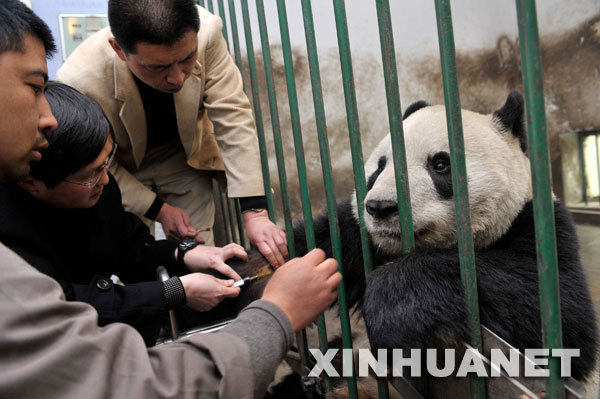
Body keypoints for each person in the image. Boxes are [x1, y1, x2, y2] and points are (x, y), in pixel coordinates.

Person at [0, 1, 341, 397]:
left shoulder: (92, 181)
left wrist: (190, 253)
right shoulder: (78, 86)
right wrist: (263, 313)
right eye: (35, 88)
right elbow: (113, 362)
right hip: (127, 164)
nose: (178, 78)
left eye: (187, 60)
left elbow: (132, 244)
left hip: (170, 156)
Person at [0, 81, 254, 347]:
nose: (105, 181)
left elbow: (129, 248)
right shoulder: (10, 237)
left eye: (107, 163)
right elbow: (67, 304)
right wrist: (175, 291)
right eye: (91, 175)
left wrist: (184, 254)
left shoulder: (98, 190)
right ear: (30, 182)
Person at [57, 0, 289, 268]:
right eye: (157, 68)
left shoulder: (208, 31)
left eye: (188, 59)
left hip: (182, 160)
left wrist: (255, 212)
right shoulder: (79, 80)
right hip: (120, 168)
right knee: (135, 259)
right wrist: (159, 210)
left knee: (204, 259)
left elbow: (232, 115)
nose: (177, 79)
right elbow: (101, 164)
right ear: (119, 49)